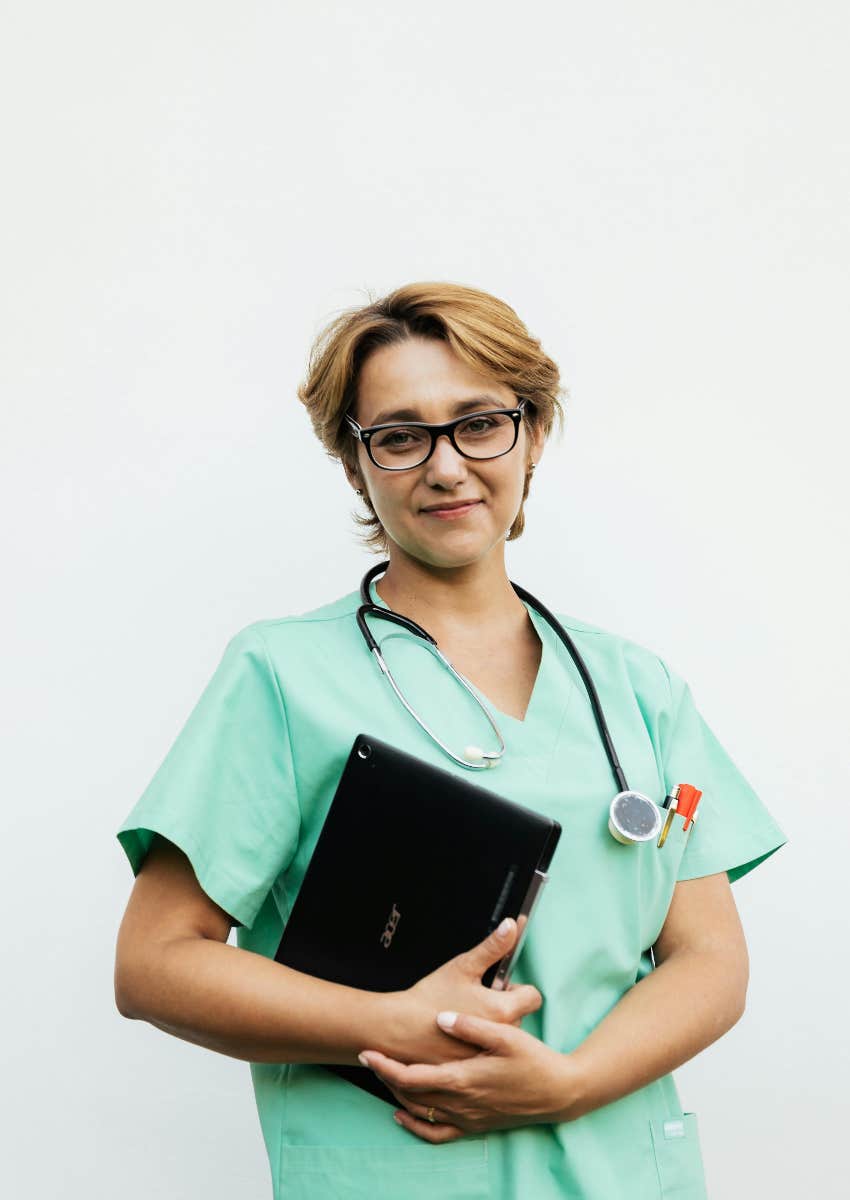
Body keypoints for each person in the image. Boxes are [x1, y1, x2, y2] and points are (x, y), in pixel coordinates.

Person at [114, 281, 787, 1199]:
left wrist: (568, 1085)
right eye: (399, 436)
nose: (446, 466)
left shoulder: (637, 689)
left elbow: (710, 960)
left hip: (623, 1170)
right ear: (355, 466)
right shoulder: (281, 677)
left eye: (479, 424)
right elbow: (155, 964)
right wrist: (393, 1021)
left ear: (533, 434)